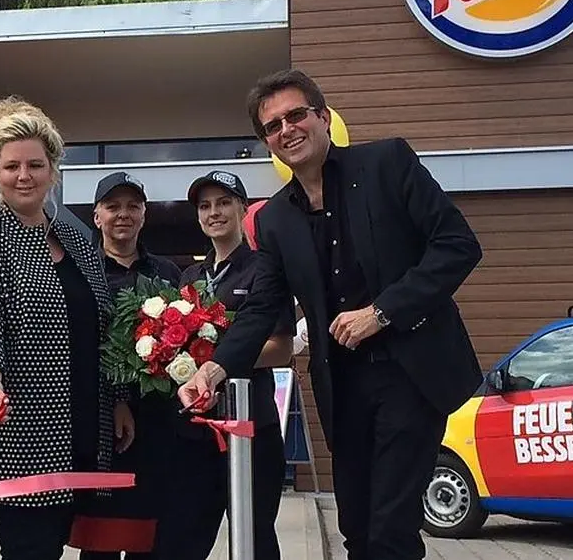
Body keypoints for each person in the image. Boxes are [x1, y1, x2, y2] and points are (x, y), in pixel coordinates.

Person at [179, 69, 484, 560]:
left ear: (323, 117)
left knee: (390, 531)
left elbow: (458, 246)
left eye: (296, 115)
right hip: (342, 385)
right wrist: (213, 370)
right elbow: (261, 308)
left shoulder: (387, 163)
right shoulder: (274, 220)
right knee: (356, 530)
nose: (287, 130)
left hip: (412, 372)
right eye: (273, 126)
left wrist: (381, 312)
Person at [0, 97, 134, 560]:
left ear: (53, 170)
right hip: (16, 431)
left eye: (35, 164)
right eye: (11, 166)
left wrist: (119, 399)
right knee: (31, 550)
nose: (24, 175)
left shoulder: (78, 241)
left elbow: (104, 326)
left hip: (82, 426)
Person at [146, 170, 295, 560]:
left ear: (242, 209)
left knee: (254, 539)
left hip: (251, 427)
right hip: (196, 433)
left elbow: (281, 349)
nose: (214, 212)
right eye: (205, 206)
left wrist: (216, 361)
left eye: (224, 202)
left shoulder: (265, 269)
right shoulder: (190, 277)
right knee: (181, 539)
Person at [72, 172, 180, 560]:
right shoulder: (81, 272)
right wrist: (115, 398)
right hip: (101, 426)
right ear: (96, 216)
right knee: (99, 544)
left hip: (158, 424)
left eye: (133, 206)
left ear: (144, 214)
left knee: (151, 542)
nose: (123, 214)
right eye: (113, 206)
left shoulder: (167, 273)